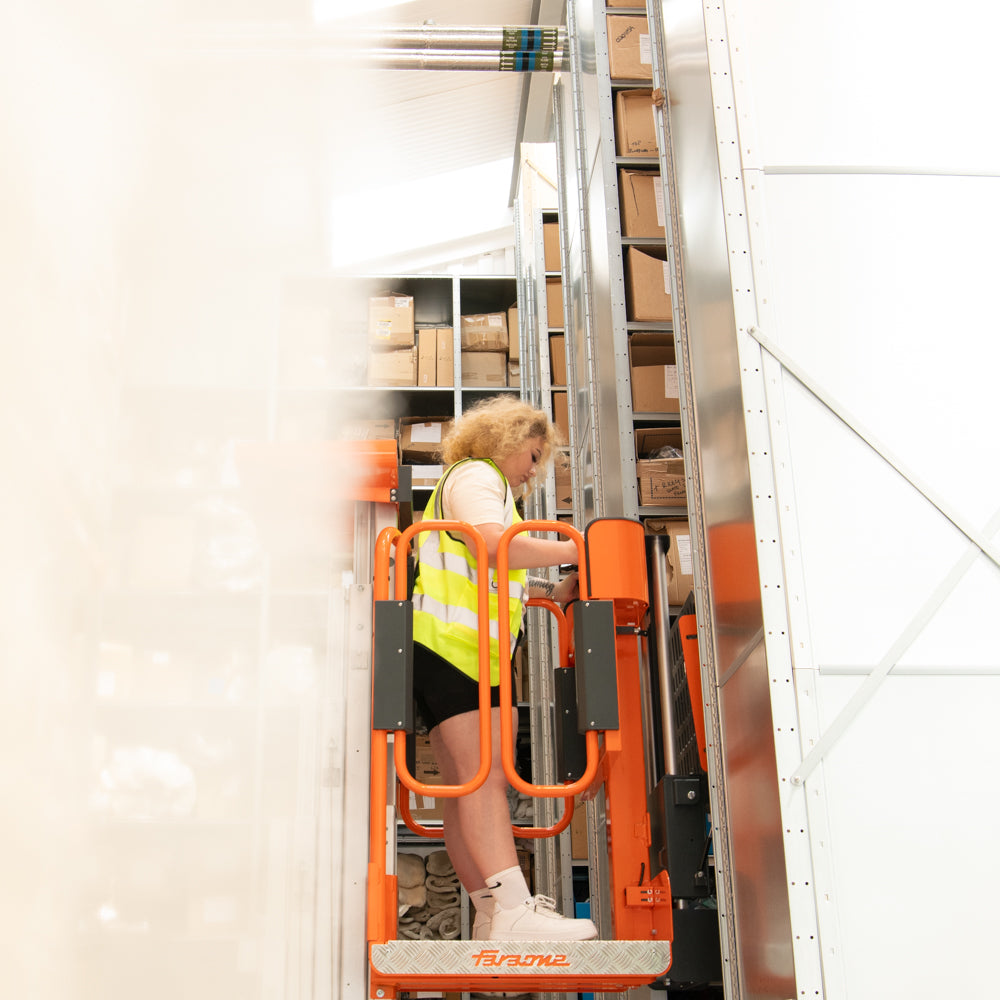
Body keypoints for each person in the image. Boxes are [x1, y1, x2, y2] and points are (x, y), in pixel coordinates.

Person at [410, 395, 597, 942]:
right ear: (506, 440)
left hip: (443, 650)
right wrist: (574, 550)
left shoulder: (473, 487)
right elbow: (495, 548)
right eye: (534, 455)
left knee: (466, 785)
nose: (534, 472)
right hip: (460, 652)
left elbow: (494, 572)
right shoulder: (476, 476)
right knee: (487, 778)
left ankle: (491, 914)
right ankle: (513, 911)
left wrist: (552, 590)